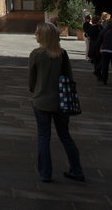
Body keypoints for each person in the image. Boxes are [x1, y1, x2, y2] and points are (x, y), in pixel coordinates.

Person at [28, 22, 84, 183]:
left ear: (43, 36)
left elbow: (31, 81)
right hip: (62, 101)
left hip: (41, 101)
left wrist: (36, 90)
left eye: (37, 33)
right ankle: (77, 170)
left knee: (43, 137)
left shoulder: (36, 54)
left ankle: (45, 173)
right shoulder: (62, 54)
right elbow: (69, 77)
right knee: (65, 136)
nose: (36, 35)